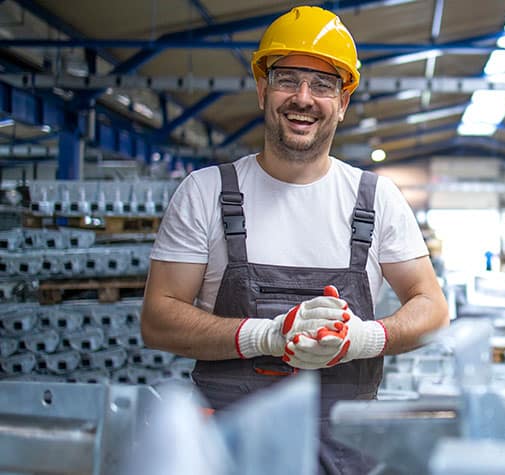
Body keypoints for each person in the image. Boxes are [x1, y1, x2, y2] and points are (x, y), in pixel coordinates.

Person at [140, 6, 449, 474]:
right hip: (228, 449)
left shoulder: (376, 198)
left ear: (342, 103)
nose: (303, 98)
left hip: (344, 451)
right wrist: (265, 334)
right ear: (263, 90)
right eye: (288, 80)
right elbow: (158, 319)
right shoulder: (206, 192)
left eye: (323, 85)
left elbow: (432, 308)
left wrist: (365, 338)